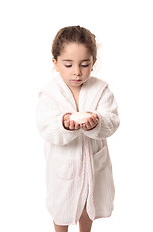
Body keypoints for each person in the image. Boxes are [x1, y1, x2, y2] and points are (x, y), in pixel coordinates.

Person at [36, 25, 120, 232]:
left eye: (84, 64)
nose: (76, 71)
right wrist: (63, 123)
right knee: (61, 208)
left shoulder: (101, 90)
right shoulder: (50, 93)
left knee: (87, 207)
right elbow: (45, 126)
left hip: (94, 163)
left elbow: (112, 121)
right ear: (55, 63)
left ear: (93, 63)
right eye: (68, 64)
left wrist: (97, 122)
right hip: (63, 167)